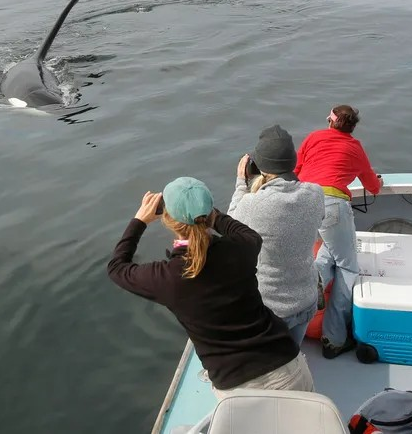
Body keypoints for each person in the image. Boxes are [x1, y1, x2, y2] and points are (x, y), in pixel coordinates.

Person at [107, 177, 314, 398]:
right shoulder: (242, 248)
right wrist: (210, 214)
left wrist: (139, 221)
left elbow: (117, 268)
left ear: (167, 219)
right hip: (289, 368)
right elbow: (248, 234)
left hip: (238, 390)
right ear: (209, 213)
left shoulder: (167, 277)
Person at [294, 105, 383, 358]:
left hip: (303, 201)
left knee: (329, 253)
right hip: (332, 205)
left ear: (330, 122)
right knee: (347, 267)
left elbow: (296, 171)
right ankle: (333, 340)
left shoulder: (313, 137)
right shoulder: (355, 148)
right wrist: (378, 182)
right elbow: (372, 186)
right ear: (352, 127)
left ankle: (314, 280)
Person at [228, 125, 325, 345]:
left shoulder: (253, 205)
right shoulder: (316, 193)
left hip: (271, 309)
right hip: (306, 301)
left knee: (271, 362)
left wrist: (241, 183)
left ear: (259, 166)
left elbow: (232, 228)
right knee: (293, 353)